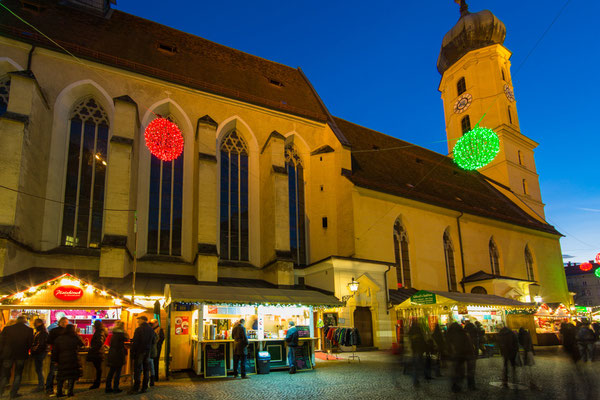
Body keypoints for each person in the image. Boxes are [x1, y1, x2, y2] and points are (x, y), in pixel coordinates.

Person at [0, 316, 34, 398]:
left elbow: (1, 342)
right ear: (25, 321)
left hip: (8, 355)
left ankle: (0, 392)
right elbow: (30, 344)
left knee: (5, 374)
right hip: (21, 355)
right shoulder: (29, 330)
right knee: (18, 374)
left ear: (17, 321)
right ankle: (13, 393)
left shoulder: (7, 329)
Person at [52, 324, 85, 397]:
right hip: (73, 358)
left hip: (62, 359)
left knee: (61, 376)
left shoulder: (59, 338)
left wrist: (55, 360)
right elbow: (82, 345)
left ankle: (59, 392)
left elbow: (55, 350)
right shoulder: (75, 337)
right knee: (71, 376)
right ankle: (70, 392)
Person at [128, 315, 155, 394]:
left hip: (139, 351)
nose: (137, 321)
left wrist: (133, 352)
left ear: (143, 320)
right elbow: (153, 341)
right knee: (146, 369)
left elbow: (136, 342)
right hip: (147, 351)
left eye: (138, 320)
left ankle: (136, 387)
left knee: (138, 370)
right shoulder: (151, 330)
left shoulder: (139, 329)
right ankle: (144, 387)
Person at [446, 321, 473, 393]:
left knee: (455, 370)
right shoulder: (463, 333)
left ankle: (455, 384)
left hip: (455, 355)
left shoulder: (449, 334)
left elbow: (447, 345)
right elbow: (468, 344)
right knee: (460, 370)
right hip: (462, 355)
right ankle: (459, 384)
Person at [46, 317, 69, 394]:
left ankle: (49, 388)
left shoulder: (53, 331)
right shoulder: (68, 332)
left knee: (52, 372)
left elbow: (48, 341)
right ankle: (63, 388)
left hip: (55, 353)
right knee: (64, 372)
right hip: (65, 354)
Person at [105, 321, 129, 394]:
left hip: (112, 354)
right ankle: (116, 387)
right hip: (118, 354)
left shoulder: (114, 334)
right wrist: (125, 331)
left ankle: (108, 387)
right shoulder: (121, 334)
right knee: (118, 372)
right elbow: (127, 338)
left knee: (111, 372)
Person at [86, 320, 107, 389]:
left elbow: (99, 343)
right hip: (99, 352)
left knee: (98, 369)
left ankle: (97, 383)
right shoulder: (101, 331)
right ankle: (97, 383)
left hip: (97, 353)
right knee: (98, 368)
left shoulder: (99, 332)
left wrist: (92, 348)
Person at [31, 318, 49, 392]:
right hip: (41, 352)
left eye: (35, 323)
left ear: (38, 323)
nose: (33, 324)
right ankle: (41, 384)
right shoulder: (42, 332)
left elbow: (40, 344)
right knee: (39, 369)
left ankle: (41, 385)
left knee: (39, 369)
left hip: (40, 353)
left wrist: (34, 350)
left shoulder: (41, 333)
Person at [408, 322, 428, 387]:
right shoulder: (419, 332)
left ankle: (415, 380)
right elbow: (423, 341)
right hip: (419, 351)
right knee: (420, 365)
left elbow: (410, 342)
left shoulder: (411, 332)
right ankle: (424, 376)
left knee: (416, 366)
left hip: (414, 352)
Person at [463, 320, 478, 389]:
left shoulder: (464, 335)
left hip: (467, 353)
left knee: (469, 370)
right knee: (471, 370)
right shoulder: (474, 331)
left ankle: (470, 384)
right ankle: (471, 385)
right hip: (471, 353)